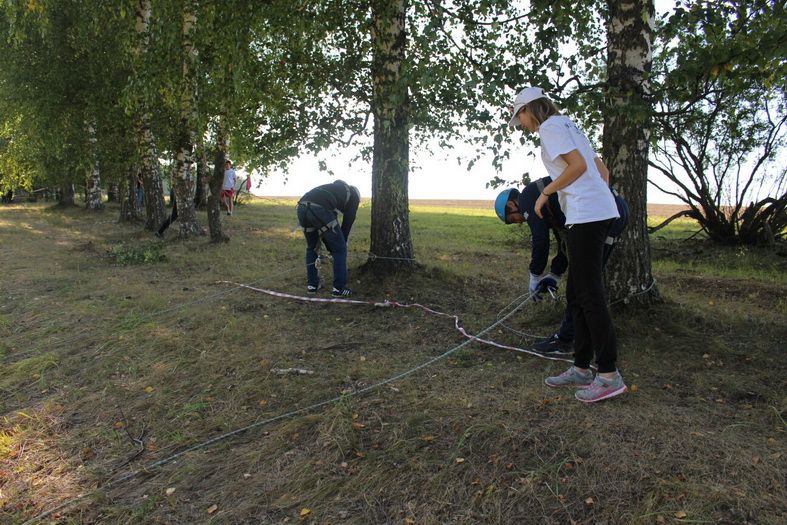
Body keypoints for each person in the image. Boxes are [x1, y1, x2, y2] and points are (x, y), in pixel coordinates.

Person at [508, 86, 626, 403]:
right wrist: (597, 195)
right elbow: (600, 168)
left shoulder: (550, 128)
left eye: (520, 116)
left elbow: (579, 167)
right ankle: (581, 367)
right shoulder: (567, 124)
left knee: (591, 296)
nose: (523, 124)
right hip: (589, 212)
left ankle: (609, 374)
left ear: (530, 109)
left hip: (588, 215)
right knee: (576, 293)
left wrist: (547, 194)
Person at [494, 179, 629, 355]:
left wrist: (535, 274)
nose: (519, 222)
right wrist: (554, 274)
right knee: (584, 285)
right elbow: (565, 244)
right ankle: (574, 338)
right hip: (613, 212)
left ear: (512, 204)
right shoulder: (552, 205)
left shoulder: (528, 197)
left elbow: (540, 240)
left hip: (602, 215)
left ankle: (568, 341)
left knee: (582, 286)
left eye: (512, 218)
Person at [296, 180, 360, 297]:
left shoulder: (333, 191)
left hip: (301, 207)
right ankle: (339, 288)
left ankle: (312, 286)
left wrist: (331, 244)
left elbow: (329, 225)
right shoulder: (353, 196)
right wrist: (340, 243)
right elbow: (347, 222)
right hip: (319, 209)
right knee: (340, 249)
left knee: (312, 247)